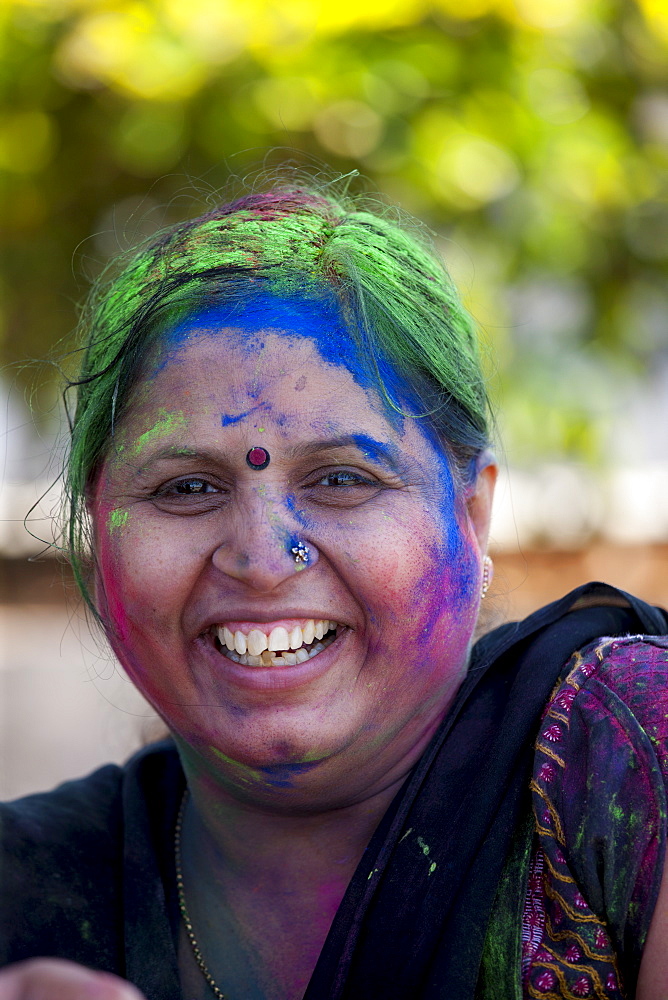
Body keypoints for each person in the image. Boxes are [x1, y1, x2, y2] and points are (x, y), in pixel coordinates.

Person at [1, 178, 667, 1000]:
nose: (261, 558)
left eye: (342, 478)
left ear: (473, 514)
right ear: (99, 530)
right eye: (185, 489)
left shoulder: (627, 751)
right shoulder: (25, 892)